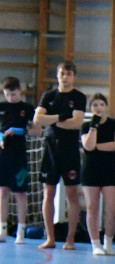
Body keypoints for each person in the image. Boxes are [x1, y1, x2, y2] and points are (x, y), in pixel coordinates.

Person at [33, 60, 86, 250]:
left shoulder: (78, 97)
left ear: (74, 76)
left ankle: (70, 239)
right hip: (50, 148)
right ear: (57, 75)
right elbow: (37, 119)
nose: (65, 77)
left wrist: (52, 120)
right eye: (62, 73)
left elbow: (76, 122)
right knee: (49, 192)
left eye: (69, 74)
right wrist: (60, 117)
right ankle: (50, 238)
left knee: (72, 194)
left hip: (70, 149)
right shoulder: (49, 96)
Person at [80, 94, 115, 256]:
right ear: (91, 109)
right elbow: (88, 146)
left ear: (106, 107)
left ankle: (109, 240)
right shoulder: (86, 126)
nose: (98, 108)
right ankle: (95, 243)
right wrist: (93, 127)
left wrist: (96, 147)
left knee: (112, 208)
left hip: (109, 170)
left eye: (101, 104)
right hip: (90, 170)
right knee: (92, 207)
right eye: (95, 105)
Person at [0, 76, 34, 244]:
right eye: (7, 94)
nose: (10, 97)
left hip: (19, 156)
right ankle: (2, 229)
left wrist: (20, 131)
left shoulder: (27, 108)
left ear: (20, 90)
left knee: (20, 193)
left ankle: (21, 230)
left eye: (13, 94)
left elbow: (36, 130)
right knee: (3, 191)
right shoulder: (1, 107)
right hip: (3, 156)